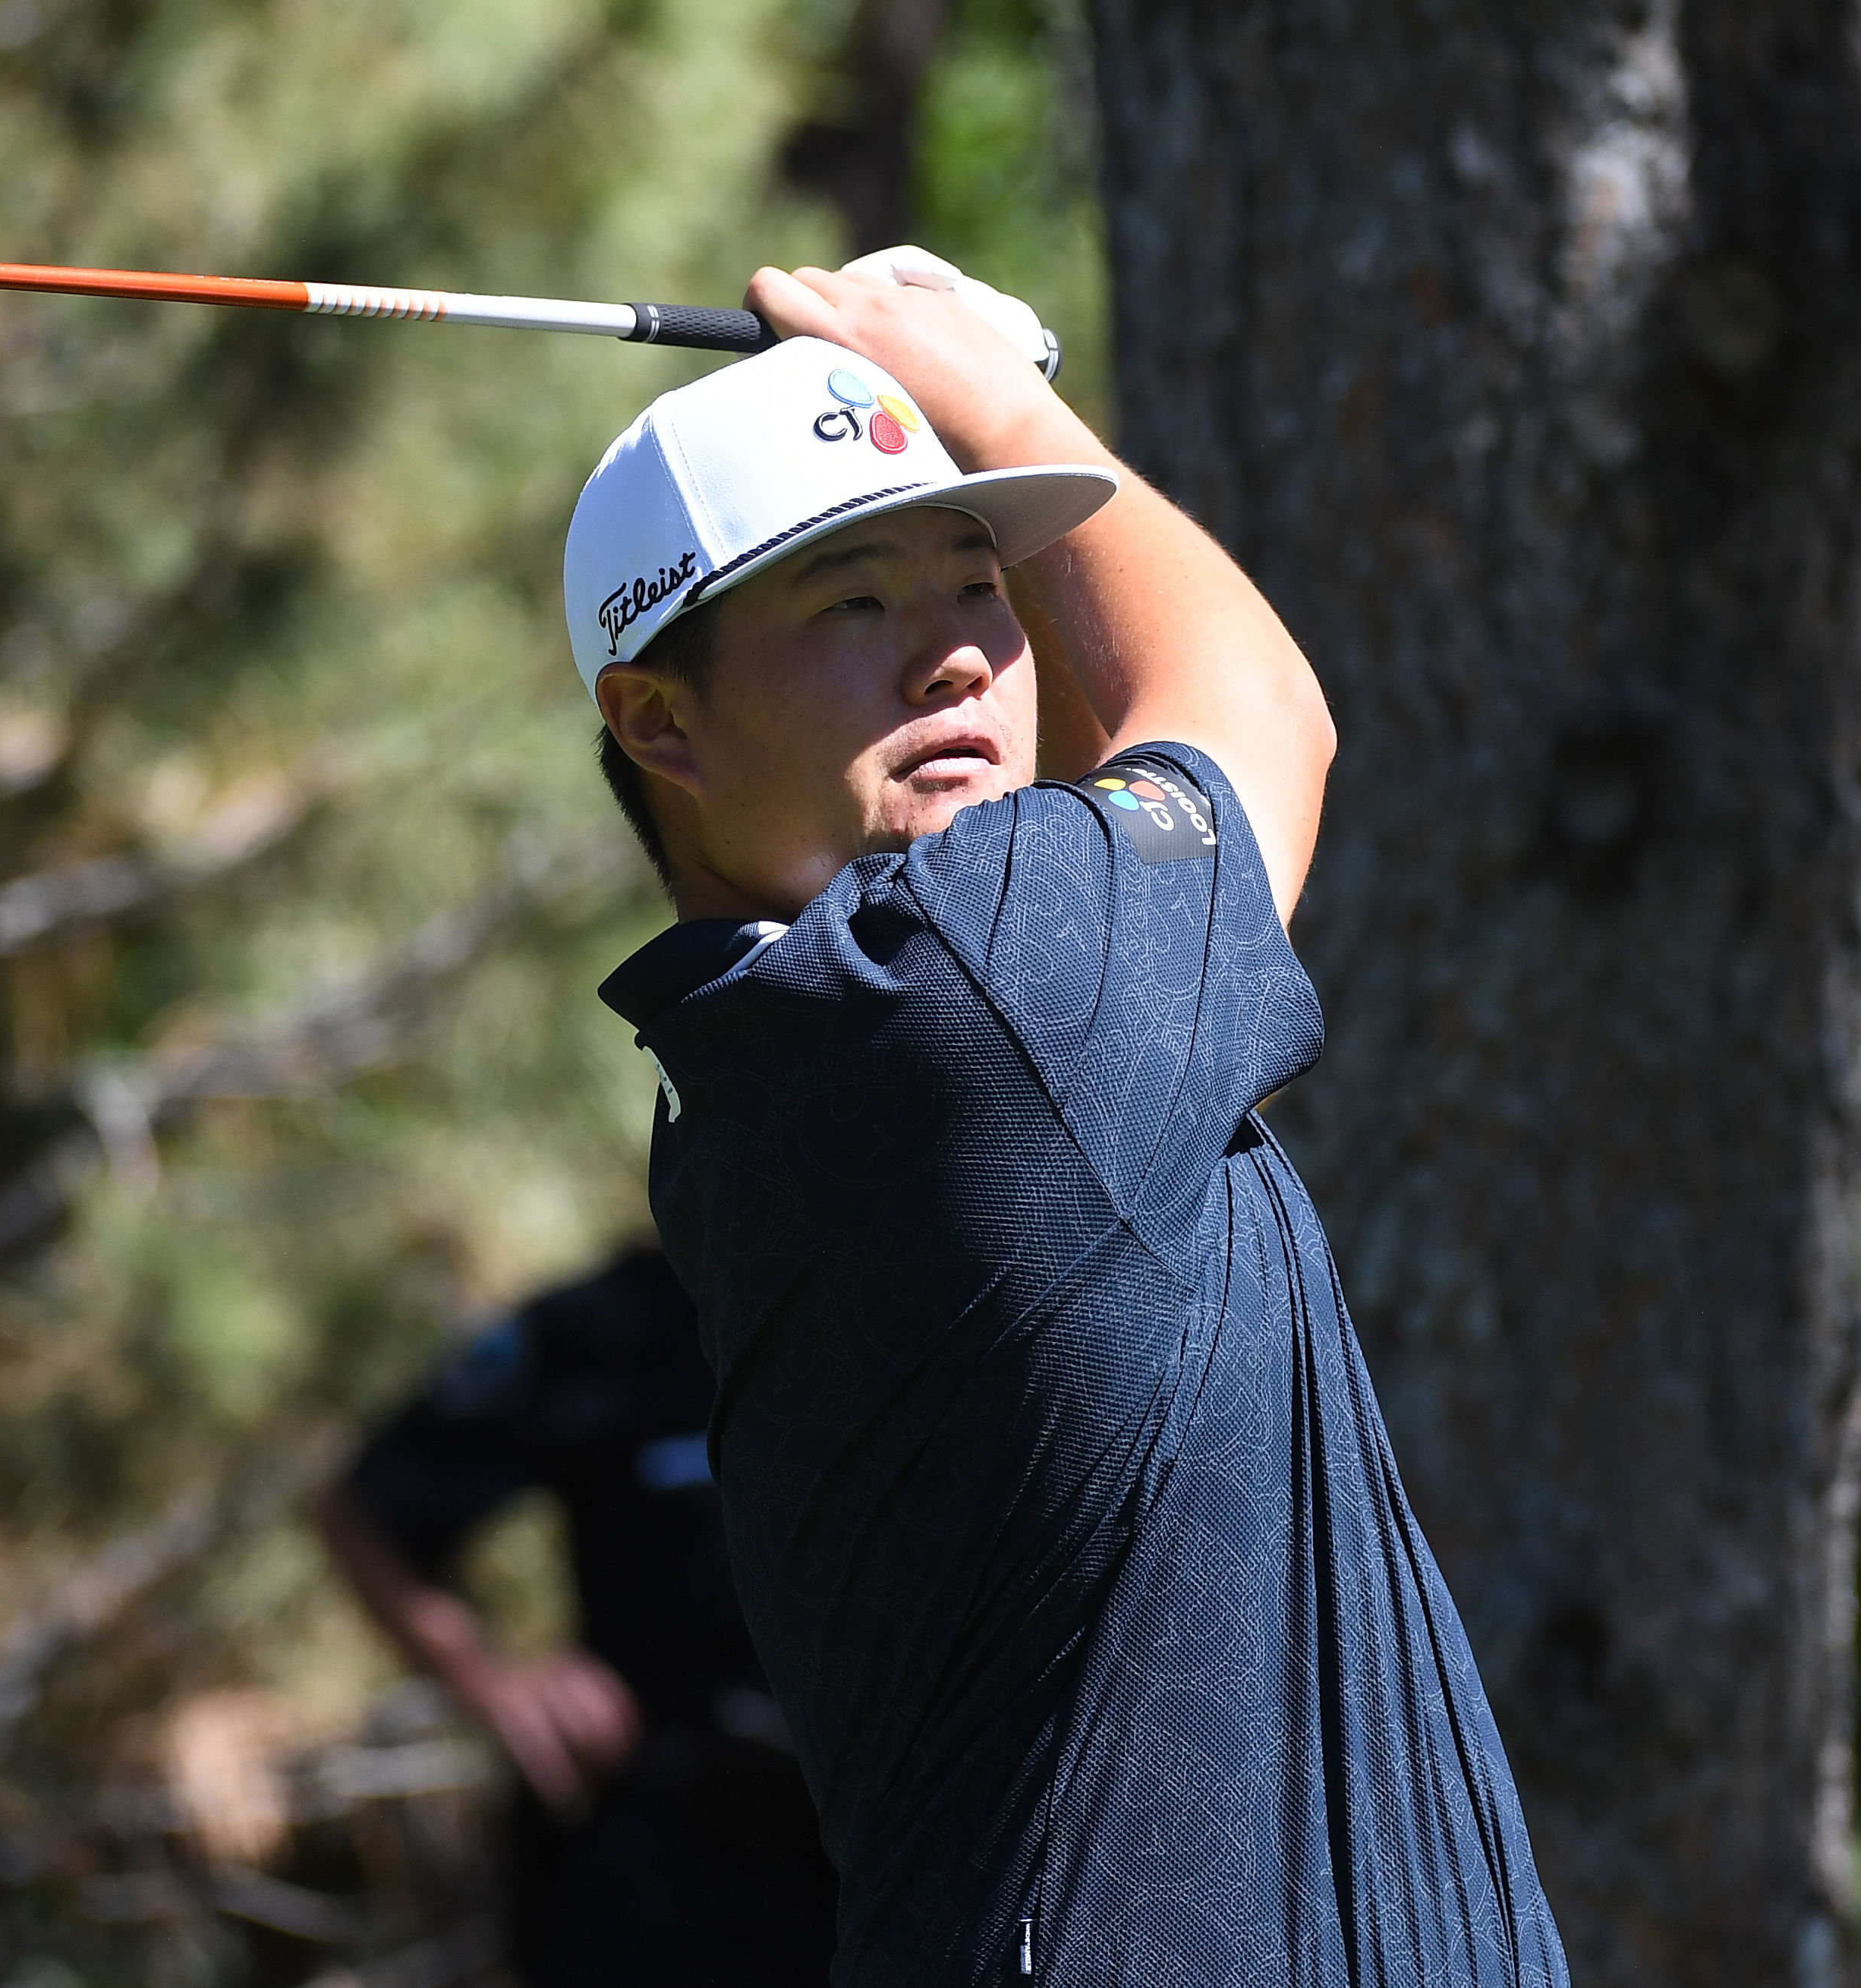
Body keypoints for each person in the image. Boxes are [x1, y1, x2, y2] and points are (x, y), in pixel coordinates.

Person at [564, 262, 1571, 1986]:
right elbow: (1262, 713)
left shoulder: (769, 1054)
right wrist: (1007, 406)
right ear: (660, 718)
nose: (956, 642)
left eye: (983, 576)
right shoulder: (975, 988)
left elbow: (1143, 752)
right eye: (849, 601)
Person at [320, 1244, 838, 1988]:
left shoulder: (933, 1289)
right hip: (666, 1852)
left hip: (883, 1842)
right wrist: (490, 1676)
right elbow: (365, 1506)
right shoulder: (613, 1321)